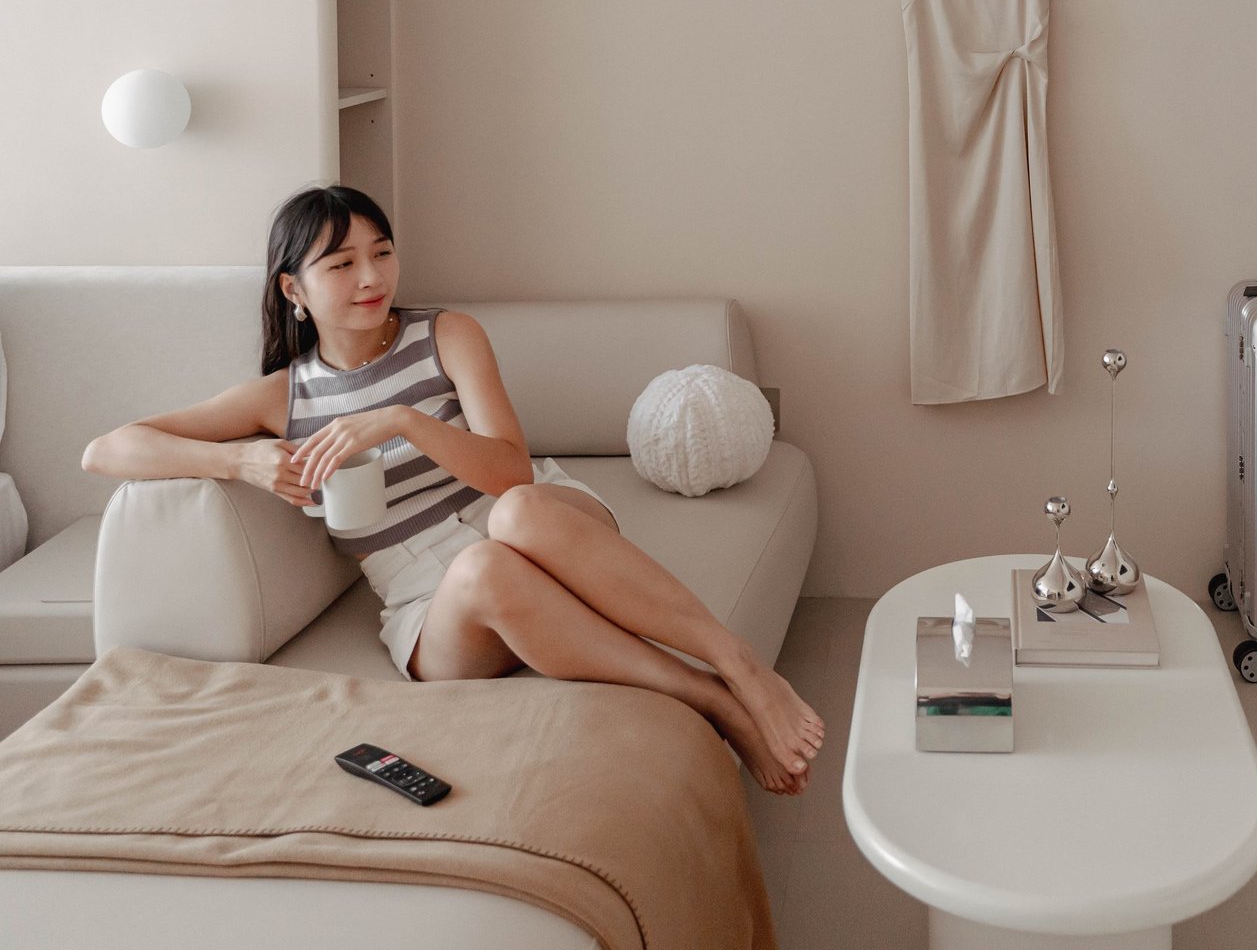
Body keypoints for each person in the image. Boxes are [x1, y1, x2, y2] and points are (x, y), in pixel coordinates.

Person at [81, 185, 824, 794]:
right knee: (484, 568)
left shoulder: (448, 334)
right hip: (434, 605)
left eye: (382, 253)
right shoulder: (283, 398)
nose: (371, 277)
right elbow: (106, 450)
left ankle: (737, 665)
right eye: (340, 264)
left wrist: (402, 420)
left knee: (516, 514)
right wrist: (241, 464)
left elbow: (512, 472)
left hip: (541, 519)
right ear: (292, 287)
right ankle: (710, 700)